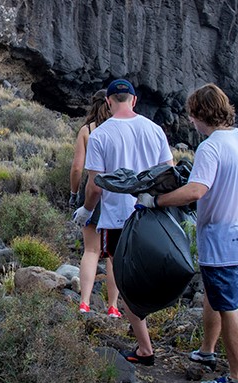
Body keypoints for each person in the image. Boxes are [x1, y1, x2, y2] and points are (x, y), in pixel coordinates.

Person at [137, 83, 238, 383]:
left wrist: (156, 201)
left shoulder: (211, 146)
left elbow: (196, 190)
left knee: (228, 304)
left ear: (200, 114)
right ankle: (208, 351)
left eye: (192, 116)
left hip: (224, 236)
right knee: (216, 291)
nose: (192, 123)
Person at [72, 79, 173, 365]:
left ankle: (144, 347)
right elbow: (169, 174)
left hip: (117, 218)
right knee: (144, 273)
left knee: (124, 274)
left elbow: (95, 186)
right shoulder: (155, 131)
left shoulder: (102, 135)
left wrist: (86, 210)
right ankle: (142, 329)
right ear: (134, 100)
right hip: (151, 214)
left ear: (108, 102)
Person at [69, 89, 121, 317]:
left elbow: (77, 168)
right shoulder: (119, 129)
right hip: (116, 195)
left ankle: (84, 303)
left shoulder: (87, 131)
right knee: (113, 254)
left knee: (91, 250)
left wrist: (73, 193)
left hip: (91, 193)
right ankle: (113, 307)